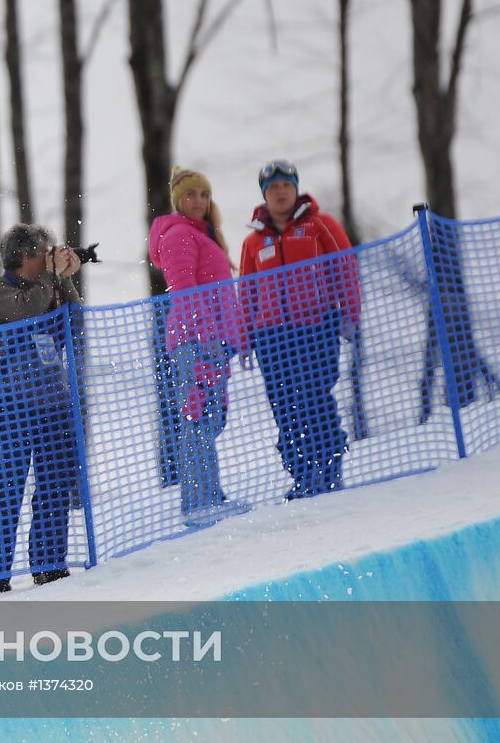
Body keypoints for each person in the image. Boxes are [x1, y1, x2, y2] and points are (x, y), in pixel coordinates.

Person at [239, 159, 361, 499]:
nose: (280, 192)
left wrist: (350, 313)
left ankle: (328, 468)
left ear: (296, 189)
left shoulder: (320, 225)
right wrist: (245, 337)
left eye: (285, 185)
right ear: (264, 195)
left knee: (315, 398)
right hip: (271, 338)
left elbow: (345, 267)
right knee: (284, 407)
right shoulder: (253, 242)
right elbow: (246, 291)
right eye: (273, 187)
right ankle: (302, 474)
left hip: (315, 328)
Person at [0, 224, 83, 595]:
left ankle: (49, 565)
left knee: (54, 487)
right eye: (43, 253)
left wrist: (64, 281)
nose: (47, 258)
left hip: (54, 405)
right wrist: (51, 277)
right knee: (8, 490)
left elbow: (76, 320)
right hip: (13, 409)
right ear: (24, 256)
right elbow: (29, 311)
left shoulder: (45, 287)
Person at [148, 166, 250, 526]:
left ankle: (210, 495)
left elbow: (221, 294)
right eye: (190, 195)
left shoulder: (204, 235)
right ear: (178, 200)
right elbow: (185, 291)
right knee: (197, 418)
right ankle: (199, 502)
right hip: (196, 342)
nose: (198, 201)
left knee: (208, 419)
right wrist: (206, 338)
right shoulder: (178, 235)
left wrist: (235, 339)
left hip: (212, 342)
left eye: (203, 194)